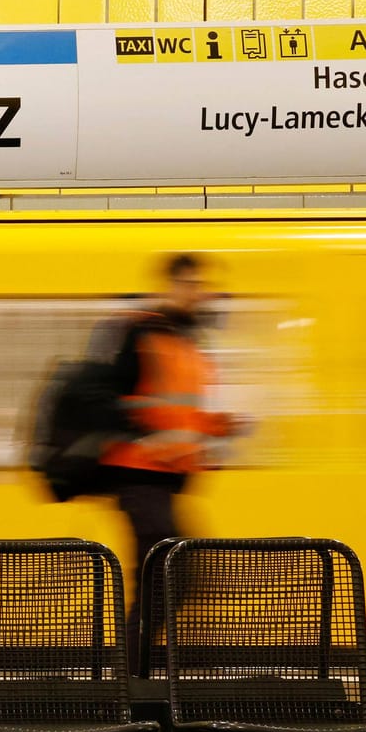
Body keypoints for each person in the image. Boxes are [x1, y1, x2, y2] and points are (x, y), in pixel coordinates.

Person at [97, 253, 244, 663]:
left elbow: (183, 410)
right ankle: (130, 677)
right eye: (194, 285)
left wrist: (217, 425)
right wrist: (150, 434)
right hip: (137, 474)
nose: (202, 294)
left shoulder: (187, 340)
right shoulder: (142, 333)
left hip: (165, 479)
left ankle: (135, 673)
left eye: (204, 286)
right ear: (173, 286)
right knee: (167, 572)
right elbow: (113, 399)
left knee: (169, 575)